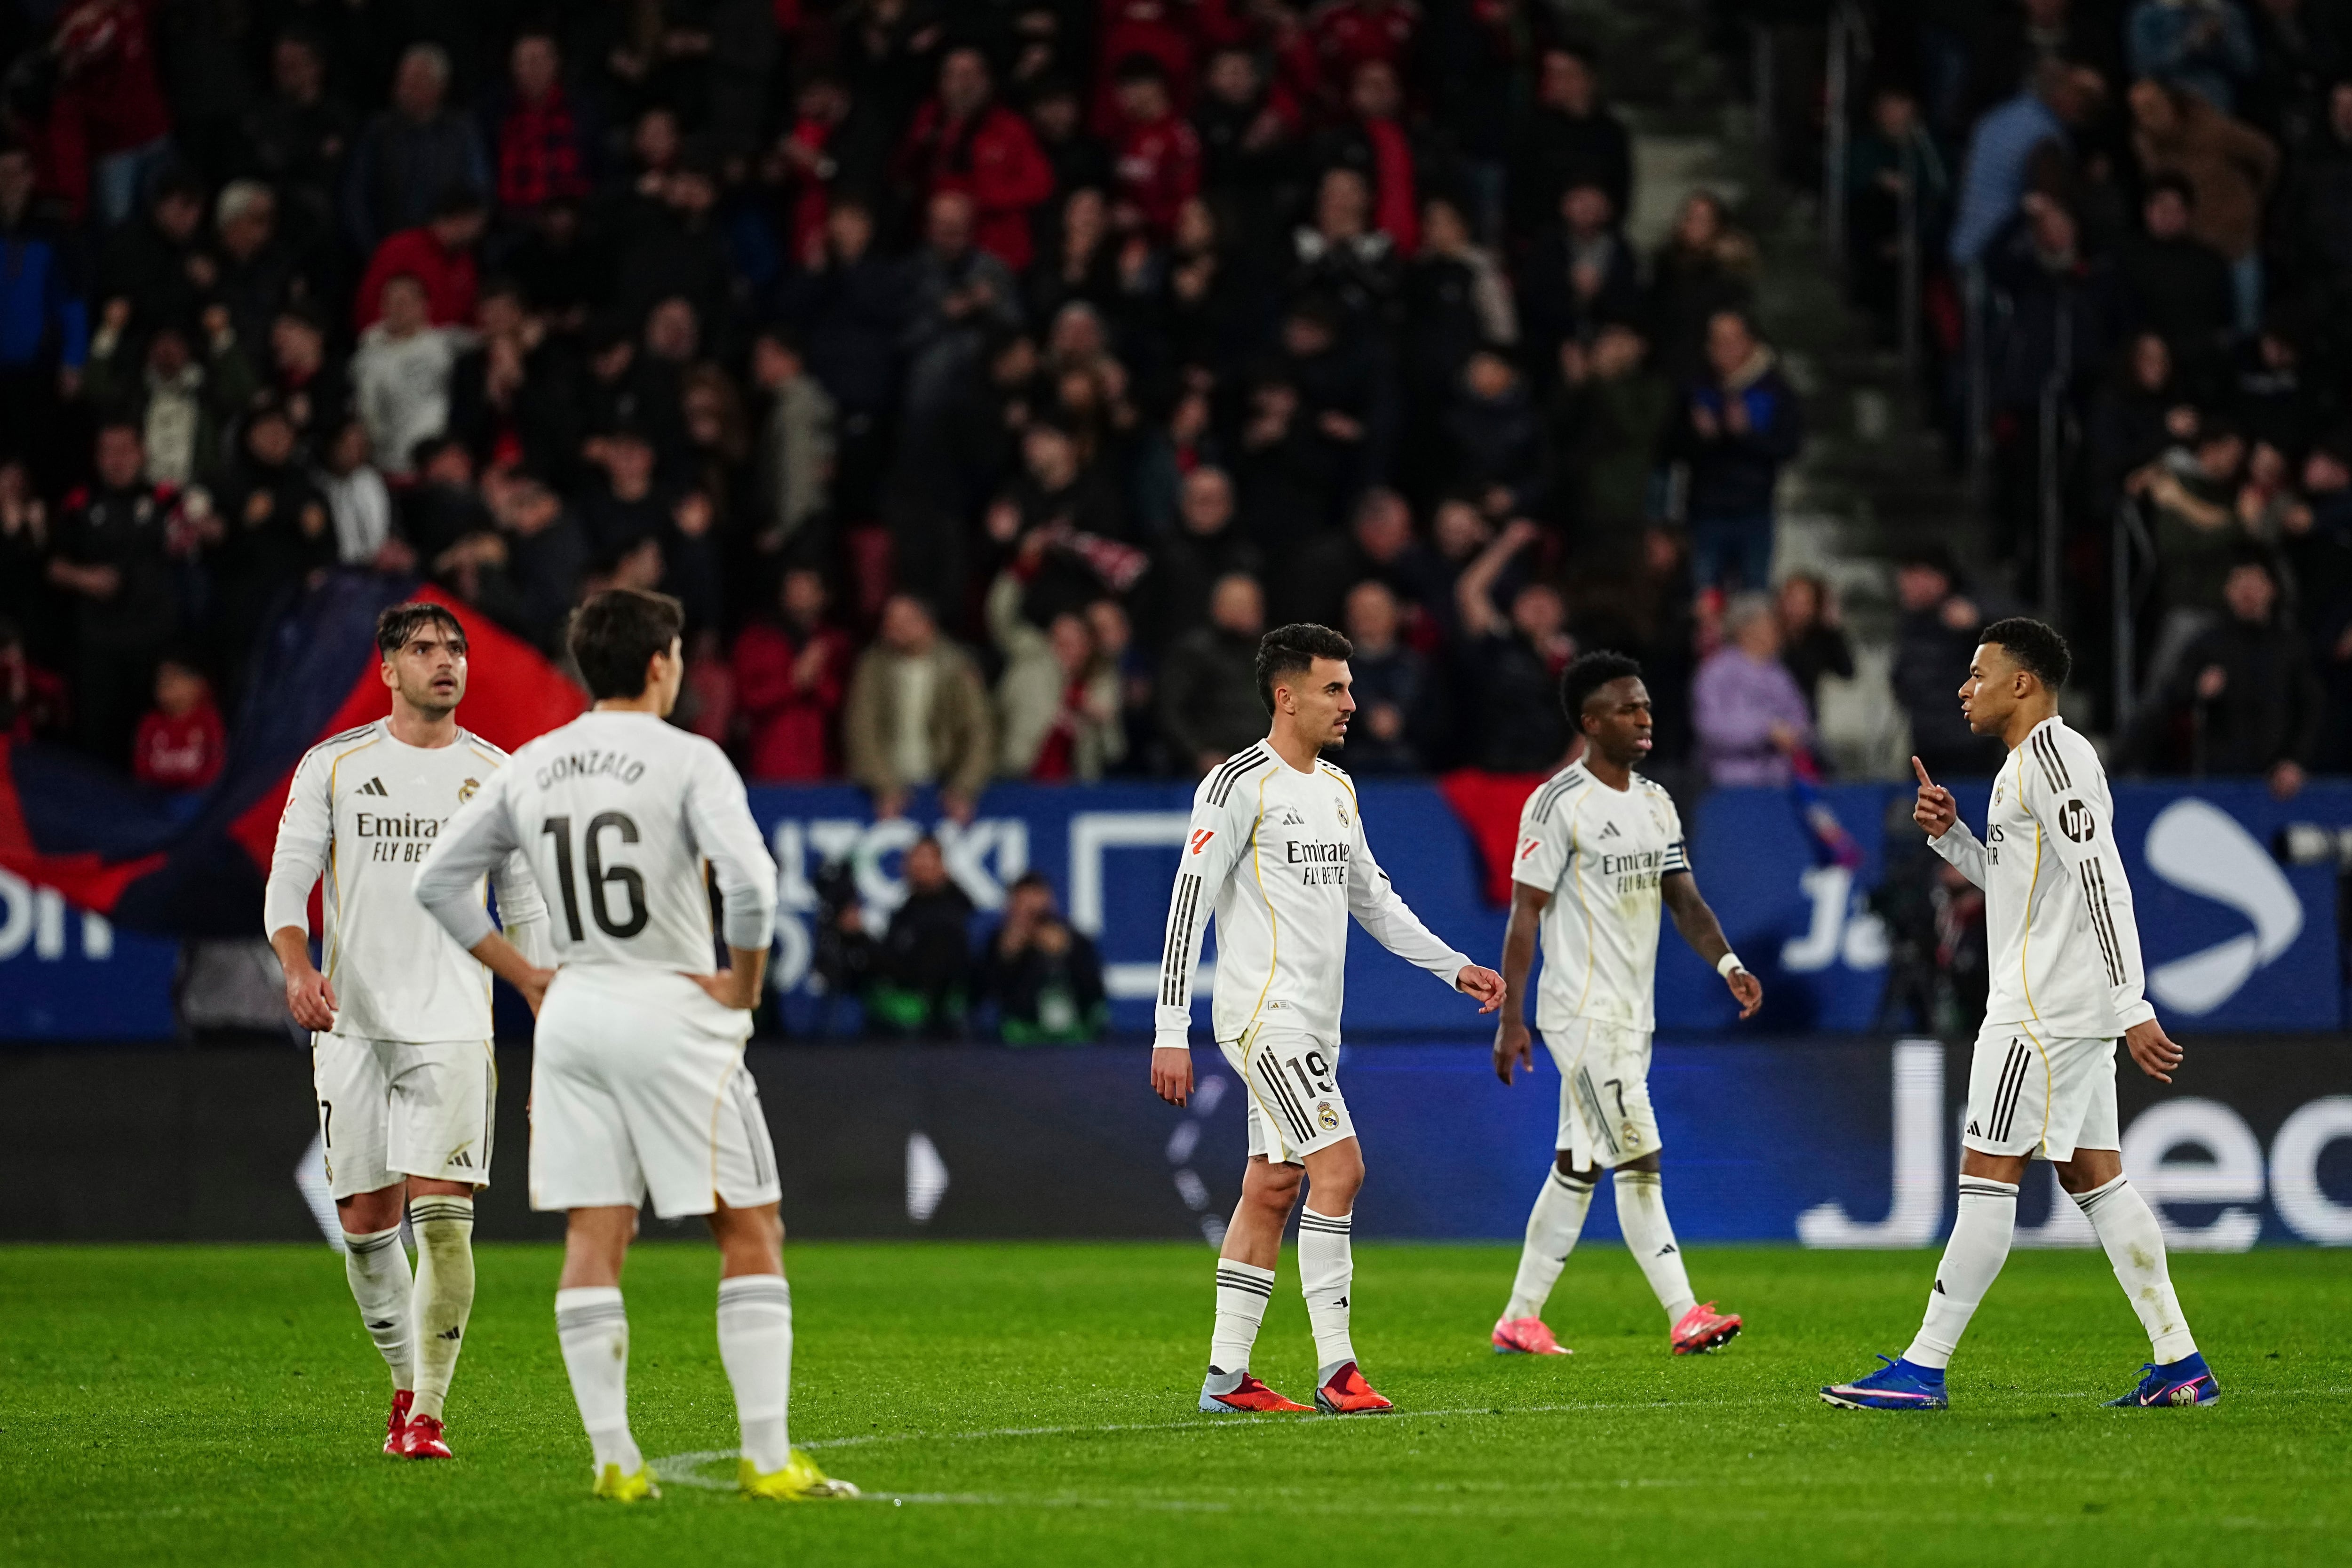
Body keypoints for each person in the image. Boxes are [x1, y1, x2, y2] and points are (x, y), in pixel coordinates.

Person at [413, 588, 856, 1501]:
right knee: (749, 1226)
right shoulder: (690, 759)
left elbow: (439, 883)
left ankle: (614, 1458)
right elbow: (754, 885)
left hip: (574, 1008)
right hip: (672, 1006)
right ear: (662, 664)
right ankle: (767, 1458)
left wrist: (526, 974)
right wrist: (743, 982)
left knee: (595, 1231)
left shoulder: (533, 763)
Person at [1824, 619, 2216, 1412]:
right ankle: (2181, 1361)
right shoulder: (2022, 768)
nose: (1965, 688)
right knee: (2093, 1173)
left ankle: (1923, 1366)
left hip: (2041, 1010)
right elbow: (2018, 882)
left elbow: (2103, 878)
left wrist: (2132, 1003)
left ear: (2023, 683)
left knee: (1987, 1173)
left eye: (1978, 674)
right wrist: (1953, 838)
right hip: (2064, 1003)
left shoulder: (2052, 758)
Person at [1149, 622, 1506, 1418]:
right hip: (1262, 1017)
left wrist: (1453, 964)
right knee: (1340, 1170)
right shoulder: (1238, 783)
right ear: (1286, 696)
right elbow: (1188, 905)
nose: (1352, 701)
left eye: (1348, 686)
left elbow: (1373, 898)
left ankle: (1226, 1379)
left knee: (1273, 1184)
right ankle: (1338, 1366)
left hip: (1315, 1027)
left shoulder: (1337, 790)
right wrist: (1171, 1028)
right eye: (1334, 688)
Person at [263, 602, 551, 1462]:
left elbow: (527, 906)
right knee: (364, 1223)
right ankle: (403, 1378)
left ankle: (427, 1413)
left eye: (455, 648)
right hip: (352, 1024)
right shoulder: (335, 766)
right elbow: (288, 884)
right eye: (423, 649)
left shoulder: (499, 775)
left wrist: (548, 1018)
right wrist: (295, 966)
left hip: (456, 1024)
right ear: (388, 669)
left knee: (445, 1220)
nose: (445, 661)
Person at [1489, 650, 1760, 1358]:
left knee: (1578, 1163)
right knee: (1639, 1154)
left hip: (1633, 1014)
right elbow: (1525, 914)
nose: (1644, 718)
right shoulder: (1557, 804)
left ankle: (1521, 1317)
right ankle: (1684, 1312)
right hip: (1581, 1013)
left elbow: (1684, 898)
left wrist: (1728, 961)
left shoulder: (1654, 802)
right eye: (1627, 708)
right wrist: (1513, 1018)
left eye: (1646, 705)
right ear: (1590, 721)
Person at [841, 593, 995, 822]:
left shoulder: (957, 667)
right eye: (889, 621)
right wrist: (884, 786)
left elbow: (978, 732)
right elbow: (862, 729)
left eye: (904, 621)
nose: (893, 628)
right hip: (889, 789)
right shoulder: (873, 669)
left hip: (943, 783)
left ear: (926, 623)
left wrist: (964, 788)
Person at [977, 871, 1107, 1044]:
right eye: (1024, 906)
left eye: (1037, 911)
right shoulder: (998, 942)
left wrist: (1069, 954)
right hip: (1017, 1032)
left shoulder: (1075, 940)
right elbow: (983, 993)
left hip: (1073, 1032)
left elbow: (1095, 989)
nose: (1031, 917)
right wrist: (1007, 958)